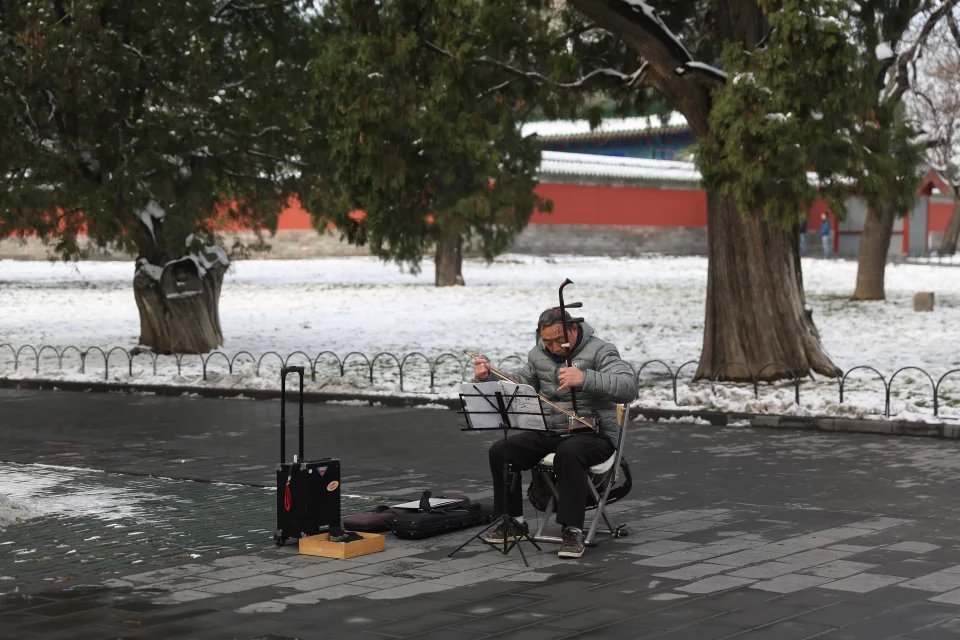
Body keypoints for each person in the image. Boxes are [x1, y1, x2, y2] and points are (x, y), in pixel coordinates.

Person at [472, 307, 638, 559]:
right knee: (502, 450)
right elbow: (520, 382)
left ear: (573, 329)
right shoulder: (538, 354)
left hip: (595, 434)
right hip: (552, 431)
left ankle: (572, 529)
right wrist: (488, 377)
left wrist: (585, 378)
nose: (552, 347)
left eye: (557, 340)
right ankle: (513, 522)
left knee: (568, 451)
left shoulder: (601, 350)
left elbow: (628, 386)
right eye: (545, 341)